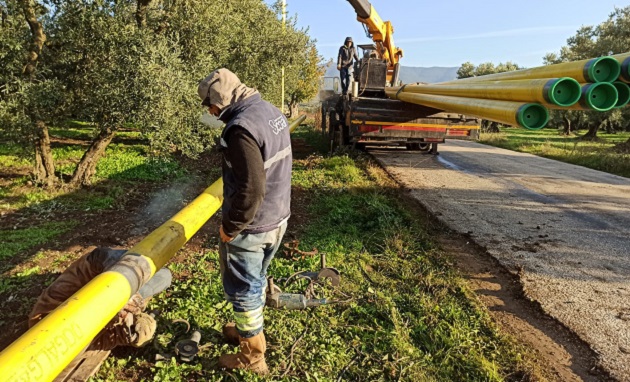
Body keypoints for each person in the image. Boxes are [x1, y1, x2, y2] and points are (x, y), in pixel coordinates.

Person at [197, 68, 292, 374]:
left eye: (209, 104)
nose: (209, 111)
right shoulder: (269, 110)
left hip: (253, 227)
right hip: (277, 218)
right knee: (257, 279)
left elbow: (252, 188)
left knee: (245, 290)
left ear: (220, 100)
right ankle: (245, 330)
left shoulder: (239, 129)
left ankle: (252, 356)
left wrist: (230, 227)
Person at [29, 247, 171, 352]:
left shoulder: (45, 317)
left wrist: (120, 289)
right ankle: (133, 285)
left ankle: (130, 274)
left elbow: (98, 257)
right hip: (119, 295)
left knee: (135, 263)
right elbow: (110, 339)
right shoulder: (71, 348)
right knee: (165, 276)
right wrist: (134, 335)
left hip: (100, 265)